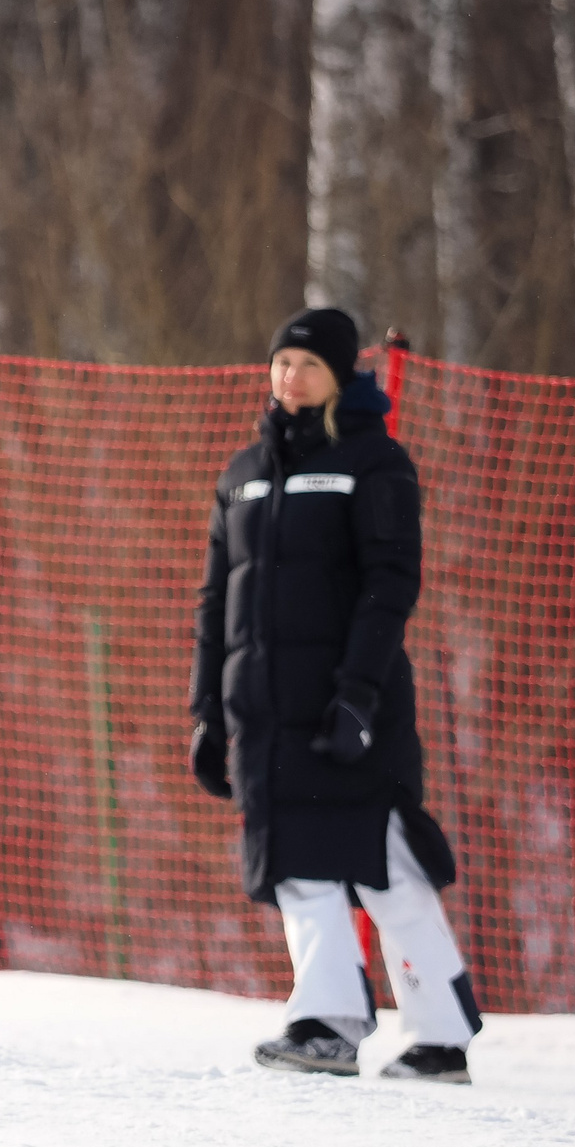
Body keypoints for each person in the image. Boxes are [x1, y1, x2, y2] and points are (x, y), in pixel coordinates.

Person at [188, 307, 482, 1083]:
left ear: (342, 375)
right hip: (265, 717)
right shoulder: (242, 472)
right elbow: (215, 603)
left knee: (387, 866)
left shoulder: (374, 463)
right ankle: (327, 1023)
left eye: (308, 365)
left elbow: (391, 586)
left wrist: (357, 696)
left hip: (352, 710)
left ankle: (440, 1035)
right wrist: (206, 717)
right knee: (294, 868)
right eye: (282, 361)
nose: (290, 377)